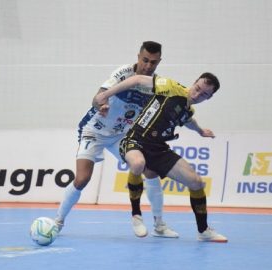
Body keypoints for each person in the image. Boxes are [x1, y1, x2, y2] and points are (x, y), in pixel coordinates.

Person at [55, 41, 178, 238]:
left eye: (153, 62)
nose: (148, 66)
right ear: (138, 56)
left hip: (122, 135)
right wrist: (100, 104)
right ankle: (58, 221)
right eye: (145, 60)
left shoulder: (156, 84)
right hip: (95, 131)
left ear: (159, 62)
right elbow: (97, 98)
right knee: (82, 179)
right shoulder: (123, 73)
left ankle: (159, 225)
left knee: (150, 170)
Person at [94, 72, 228, 242]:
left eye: (204, 94)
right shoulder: (171, 87)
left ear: (208, 98)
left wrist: (201, 131)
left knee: (196, 182)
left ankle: (203, 231)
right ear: (194, 83)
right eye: (197, 88)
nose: (197, 94)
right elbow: (137, 79)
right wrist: (105, 94)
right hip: (135, 139)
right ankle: (136, 216)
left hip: (159, 149)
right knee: (138, 163)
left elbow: (189, 121)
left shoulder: (188, 109)